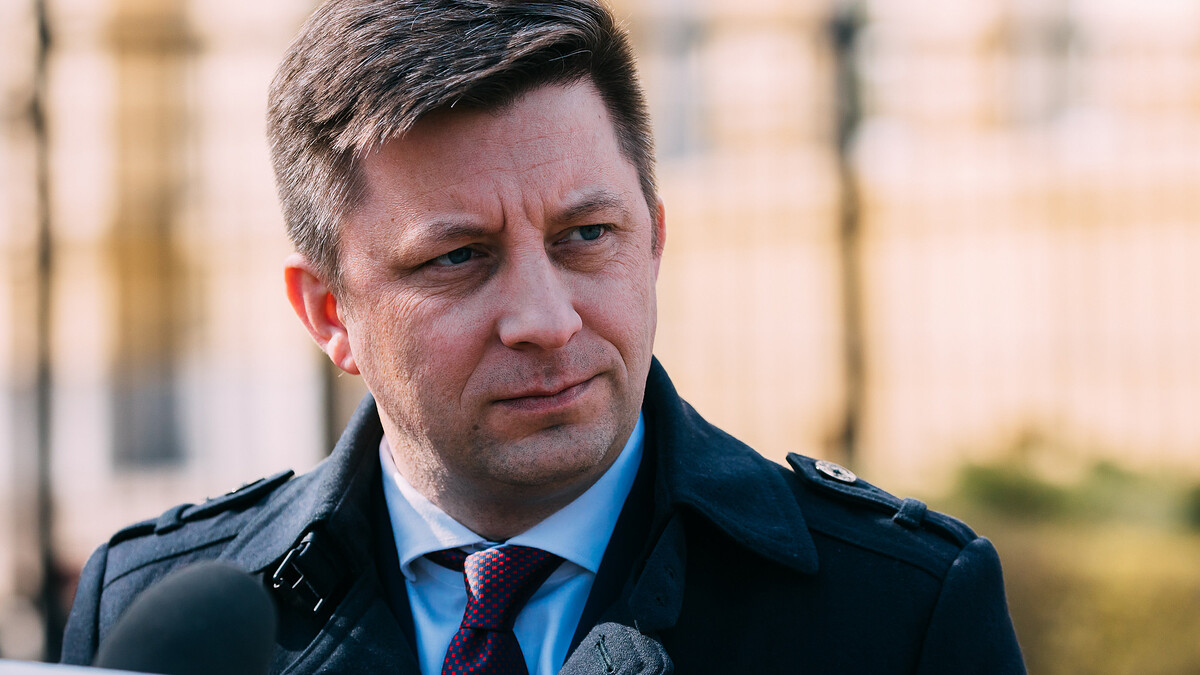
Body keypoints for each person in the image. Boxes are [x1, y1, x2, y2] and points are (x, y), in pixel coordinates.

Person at [61, 1, 1026, 673]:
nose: (547, 319)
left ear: (653, 239)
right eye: (458, 257)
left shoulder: (898, 611)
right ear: (328, 312)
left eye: (587, 236)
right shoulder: (152, 617)